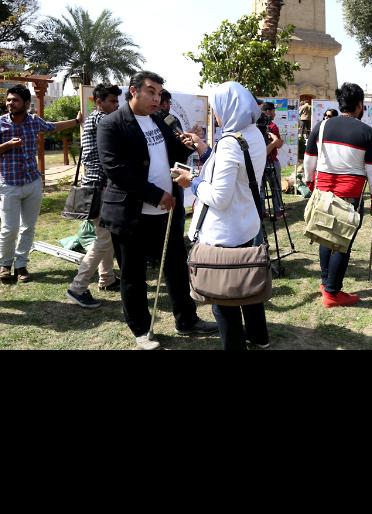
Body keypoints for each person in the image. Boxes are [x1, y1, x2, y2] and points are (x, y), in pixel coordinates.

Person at [96, 70, 218, 350]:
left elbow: (171, 154)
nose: (156, 98)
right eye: (150, 91)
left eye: (159, 93)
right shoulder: (112, 124)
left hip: (167, 211)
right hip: (131, 214)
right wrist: (155, 195)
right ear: (134, 91)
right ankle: (141, 330)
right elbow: (116, 170)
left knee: (176, 268)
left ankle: (187, 321)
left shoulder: (158, 120)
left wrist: (187, 144)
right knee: (133, 275)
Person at [172, 81, 270, 350]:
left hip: (224, 230)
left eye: (215, 108)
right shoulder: (252, 134)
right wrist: (204, 149)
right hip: (246, 223)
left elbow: (218, 197)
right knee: (247, 282)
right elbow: (238, 171)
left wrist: (191, 181)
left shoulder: (229, 142)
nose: (214, 114)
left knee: (224, 299)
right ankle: (259, 337)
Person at [303, 82, 372, 307]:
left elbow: (309, 162)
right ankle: (332, 292)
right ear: (359, 105)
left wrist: (311, 185)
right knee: (341, 243)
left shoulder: (322, 126)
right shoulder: (367, 133)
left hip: (323, 192)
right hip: (350, 198)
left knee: (325, 234)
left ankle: (326, 282)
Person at [1, 84, 83, 284]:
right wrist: (7, 145)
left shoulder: (34, 121)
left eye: (15, 100)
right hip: (8, 184)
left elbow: (53, 126)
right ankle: (5, 264)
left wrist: (76, 121)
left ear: (27, 104)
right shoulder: (0, 123)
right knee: (9, 228)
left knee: (28, 227)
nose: (11, 103)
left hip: (32, 182)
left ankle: (21, 265)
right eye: (9, 100)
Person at [65, 83, 122, 308]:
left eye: (118, 102)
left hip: (96, 187)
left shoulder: (97, 119)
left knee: (105, 235)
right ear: (99, 103)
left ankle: (106, 278)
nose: (116, 106)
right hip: (99, 188)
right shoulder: (101, 120)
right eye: (111, 102)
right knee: (103, 238)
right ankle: (77, 288)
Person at [260, 101, 284, 218]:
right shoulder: (272, 126)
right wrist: (277, 141)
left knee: (261, 188)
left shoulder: (256, 126)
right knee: (276, 188)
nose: (275, 113)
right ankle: (278, 211)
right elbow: (278, 144)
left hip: (259, 163)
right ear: (268, 111)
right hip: (271, 161)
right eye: (274, 111)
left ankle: (262, 212)